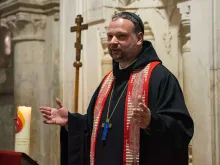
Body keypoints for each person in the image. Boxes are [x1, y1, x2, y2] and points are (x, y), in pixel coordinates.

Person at [40, 12, 194, 165]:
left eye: (121, 36)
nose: (113, 42)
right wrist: (71, 121)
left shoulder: (160, 77)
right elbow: (94, 126)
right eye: (109, 36)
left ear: (139, 38)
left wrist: (151, 123)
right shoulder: (109, 80)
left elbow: (182, 130)